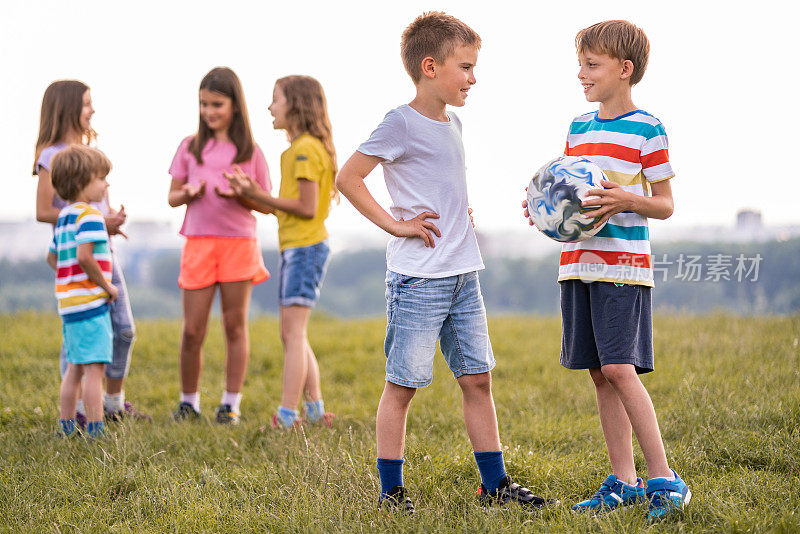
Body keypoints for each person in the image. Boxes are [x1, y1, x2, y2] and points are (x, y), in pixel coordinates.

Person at [335, 11, 550, 514]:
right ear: (430, 67)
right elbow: (349, 178)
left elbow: (439, 182)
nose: (473, 78)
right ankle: (391, 495)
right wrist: (397, 224)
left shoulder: (453, 122)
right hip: (418, 278)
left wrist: (460, 211)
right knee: (402, 386)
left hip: (462, 275)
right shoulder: (399, 123)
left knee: (478, 378)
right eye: (466, 67)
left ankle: (494, 486)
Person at [523, 20, 690, 520]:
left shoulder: (648, 128)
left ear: (625, 69)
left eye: (591, 65)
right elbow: (568, 194)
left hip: (624, 267)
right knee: (599, 373)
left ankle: (665, 479)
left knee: (620, 368)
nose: (581, 74)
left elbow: (664, 205)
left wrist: (624, 200)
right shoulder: (578, 127)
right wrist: (543, 207)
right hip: (578, 265)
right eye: (580, 64)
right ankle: (623, 481)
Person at [223, 75, 336, 429]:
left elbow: (304, 207)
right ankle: (314, 410)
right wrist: (252, 194)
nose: (270, 107)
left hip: (304, 248)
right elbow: (283, 207)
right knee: (294, 333)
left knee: (293, 333)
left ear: (296, 106)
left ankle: (288, 415)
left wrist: (258, 193)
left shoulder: (302, 149)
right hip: (300, 247)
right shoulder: (300, 149)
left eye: (276, 100)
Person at [33, 79, 149, 425]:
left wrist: (110, 222)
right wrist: (93, 219)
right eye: (86, 103)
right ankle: (83, 412)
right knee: (79, 340)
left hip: (104, 251)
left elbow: (95, 206)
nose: (92, 109)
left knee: (123, 329)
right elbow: (43, 211)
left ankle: (111, 405)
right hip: (82, 256)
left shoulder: (89, 156)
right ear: (67, 107)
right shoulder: (52, 157)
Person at [168, 67, 271, 425]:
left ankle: (230, 403)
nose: (209, 112)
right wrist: (188, 192)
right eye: (203, 104)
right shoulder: (189, 147)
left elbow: (265, 203)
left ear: (234, 105)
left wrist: (242, 192)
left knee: (234, 326)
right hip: (198, 243)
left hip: (239, 244)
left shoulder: (250, 152)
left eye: (216, 104)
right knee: (193, 328)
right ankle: (188, 402)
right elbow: (172, 196)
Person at [47, 145, 118, 438]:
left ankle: (65, 428)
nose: (106, 184)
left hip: (69, 305)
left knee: (75, 367)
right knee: (95, 370)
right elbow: (86, 256)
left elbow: (53, 257)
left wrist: (70, 280)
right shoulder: (90, 216)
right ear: (81, 182)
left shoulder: (64, 216)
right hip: (91, 304)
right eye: (101, 178)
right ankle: (96, 432)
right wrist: (107, 286)